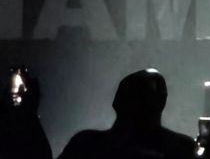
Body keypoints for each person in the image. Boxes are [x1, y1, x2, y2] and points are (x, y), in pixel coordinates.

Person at [57, 68, 194, 159]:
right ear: (162, 101)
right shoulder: (180, 146)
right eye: (136, 95)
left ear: (116, 102)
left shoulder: (86, 142)